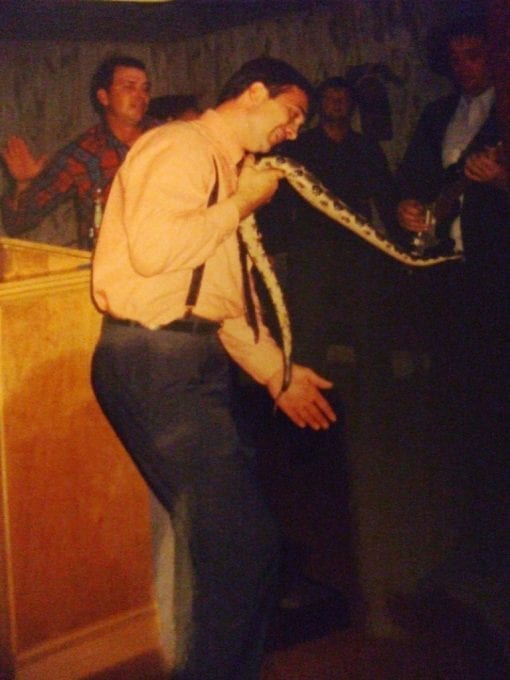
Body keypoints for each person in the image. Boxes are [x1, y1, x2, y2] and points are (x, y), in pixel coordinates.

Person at [90, 57, 337, 679]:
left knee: (235, 546)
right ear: (253, 92)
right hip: (154, 360)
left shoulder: (224, 165)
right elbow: (155, 252)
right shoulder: (180, 146)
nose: (294, 130)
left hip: (187, 361)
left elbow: (217, 296)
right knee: (244, 548)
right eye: (291, 113)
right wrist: (243, 204)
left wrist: (276, 372)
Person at [396, 16, 509, 571]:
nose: (465, 66)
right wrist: (407, 206)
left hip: (500, 269)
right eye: (457, 57)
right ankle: (471, 525)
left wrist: (500, 180)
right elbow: (412, 176)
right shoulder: (437, 113)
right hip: (450, 271)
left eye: (476, 54)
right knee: (461, 397)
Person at [1, 54, 154, 249]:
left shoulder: (167, 137)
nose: (140, 96)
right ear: (104, 97)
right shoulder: (82, 154)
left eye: (145, 88)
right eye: (129, 87)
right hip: (109, 261)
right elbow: (17, 223)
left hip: (168, 258)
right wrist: (23, 183)